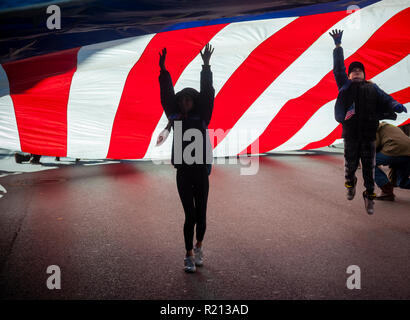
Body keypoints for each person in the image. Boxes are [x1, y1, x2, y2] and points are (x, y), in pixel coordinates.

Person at [329, 29, 407, 214]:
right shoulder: (344, 87)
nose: (356, 72)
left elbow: (386, 98)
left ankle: (379, 189)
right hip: (351, 134)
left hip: (369, 134)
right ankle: (352, 181)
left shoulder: (373, 88)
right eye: (353, 71)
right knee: (351, 163)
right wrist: (338, 47)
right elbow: (338, 68)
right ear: (348, 76)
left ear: (364, 74)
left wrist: (395, 104)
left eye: (359, 71)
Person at [158, 44, 214, 273]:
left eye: (188, 100)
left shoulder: (203, 116)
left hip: (201, 171)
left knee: (201, 216)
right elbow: (167, 95)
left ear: (195, 102)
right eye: (181, 100)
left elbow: (207, 90)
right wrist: (163, 71)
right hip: (183, 172)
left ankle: (199, 246)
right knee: (189, 215)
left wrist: (206, 66)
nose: (183, 103)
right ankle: (188, 255)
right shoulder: (175, 117)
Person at [374, 122, 410, 201]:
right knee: (401, 182)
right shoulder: (389, 125)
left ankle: (387, 191)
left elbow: (373, 147)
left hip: (395, 149)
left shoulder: (371, 128)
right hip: (407, 152)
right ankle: (388, 190)